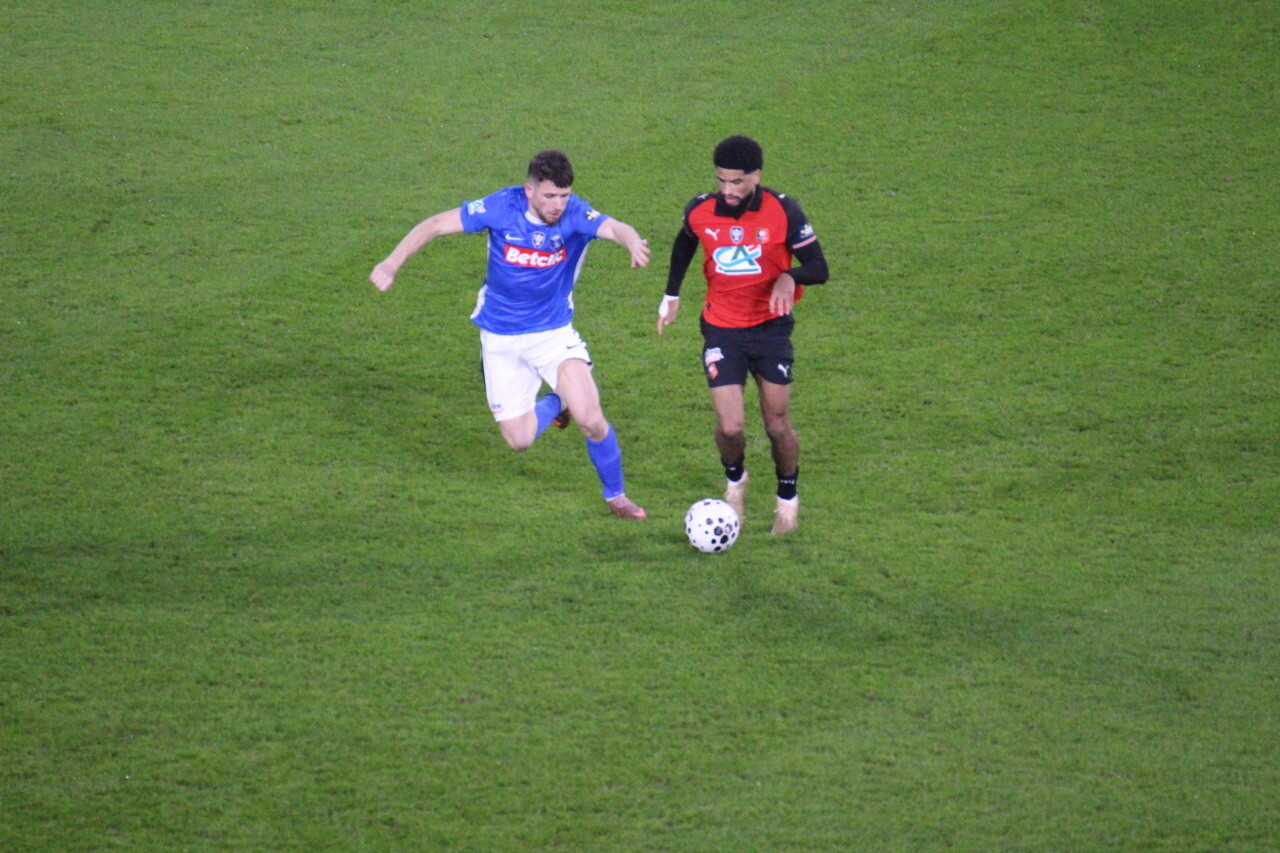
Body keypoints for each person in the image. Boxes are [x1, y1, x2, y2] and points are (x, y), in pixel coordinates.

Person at [370, 150, 650, 520]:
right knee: (518, 440)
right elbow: (436, 224)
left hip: (552, 334)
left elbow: (615, 227)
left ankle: (616, 496)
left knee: (591, 418)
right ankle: (557, 403)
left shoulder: (576, 214)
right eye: (550, 196)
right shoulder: (502, 207)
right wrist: (392, 262)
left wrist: (631, 242)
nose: (558, 205)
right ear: (529, 190)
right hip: (500, 337)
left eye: (564, 196)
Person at [657, 136, 829, 534]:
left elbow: (819, 266)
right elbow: (685, 242)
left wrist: (790, 275)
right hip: (722, 327)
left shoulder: (783, 210)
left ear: (756, 176)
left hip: (771, 328)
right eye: (722, 181)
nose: (728, 191)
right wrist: (671, 295)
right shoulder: (701, 209)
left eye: (737, 182)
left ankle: (787, 498)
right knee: (731, 426)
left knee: (777, 424)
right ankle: (736, 479)